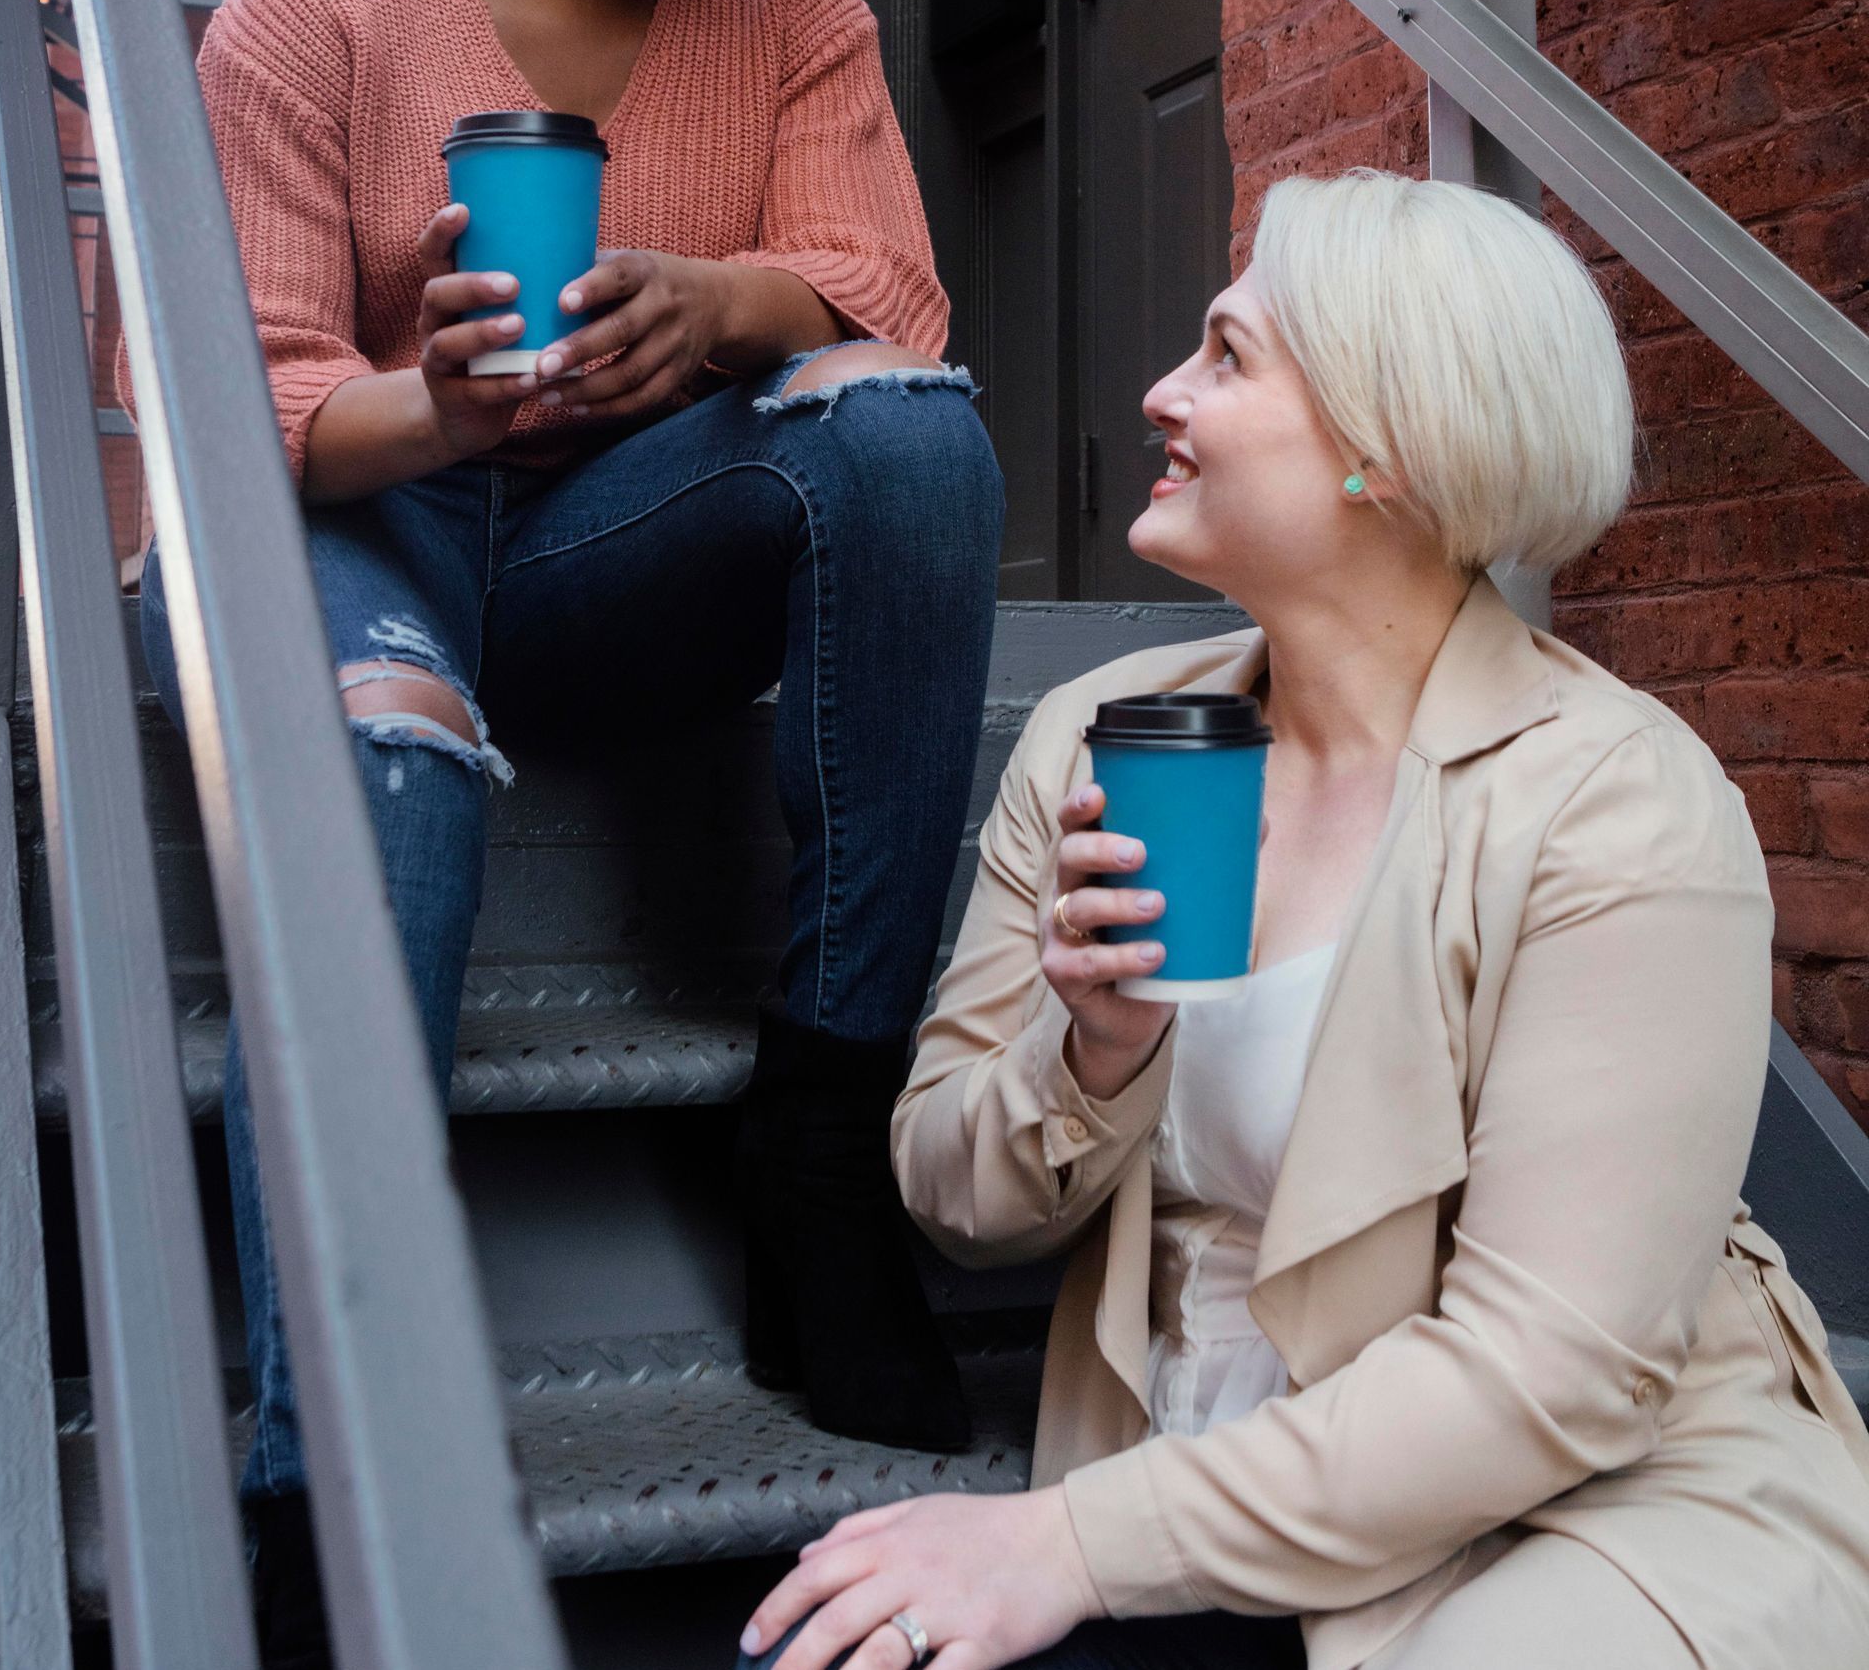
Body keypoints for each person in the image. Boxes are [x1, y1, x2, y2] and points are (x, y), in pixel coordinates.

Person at [135, 0, 1003, 1669]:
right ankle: (307, 1485)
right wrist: (446, 397)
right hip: (356, 535)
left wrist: (714, 304)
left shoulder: (792, 3)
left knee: (903, 440)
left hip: (611, 556)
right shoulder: (319, 2)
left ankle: (820, 1144)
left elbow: (889, 297)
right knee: (400, 752)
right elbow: (238, 420)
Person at [740, 169, 1869, 1670]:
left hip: (1583, 1514)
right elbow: (954, 1196)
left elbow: (1550, 1380)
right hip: (1192, 1493)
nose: (1159, 391)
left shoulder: (1620, 803)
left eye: (1225, 354)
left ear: (1383, 452)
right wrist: (1093, 1056)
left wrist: (1070, 1542)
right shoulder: (1099, 740)